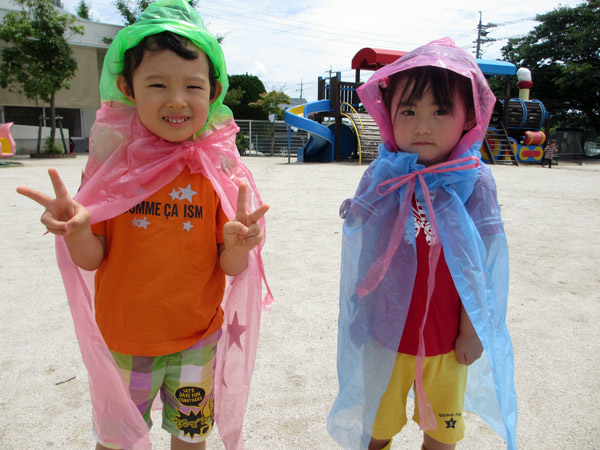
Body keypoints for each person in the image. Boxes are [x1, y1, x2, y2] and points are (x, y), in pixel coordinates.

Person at [17, 1, 271, 449]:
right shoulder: (114, 168)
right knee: (117, 442)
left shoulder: (212, 170)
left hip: (198, 341)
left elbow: (228, 268)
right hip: (125, 341)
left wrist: (239, 245)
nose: (176, 100)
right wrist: (77, 230)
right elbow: (93, 258)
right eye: (157, 83)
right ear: (127, 88)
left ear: (212, 93)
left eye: (193, 86)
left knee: (190, 440)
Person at [327, 38, 517, 450]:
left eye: (440, 111)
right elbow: (366, 253)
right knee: (376, 431)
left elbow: (480, 264)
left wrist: (473, 330)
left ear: (469, 117)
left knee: (442, 434)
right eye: (408, 111)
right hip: (386, 336)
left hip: (446, 342)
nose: (423, 125)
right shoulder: (383, 175)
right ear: (387, 115)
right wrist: (359, 312)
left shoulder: (473, 181)